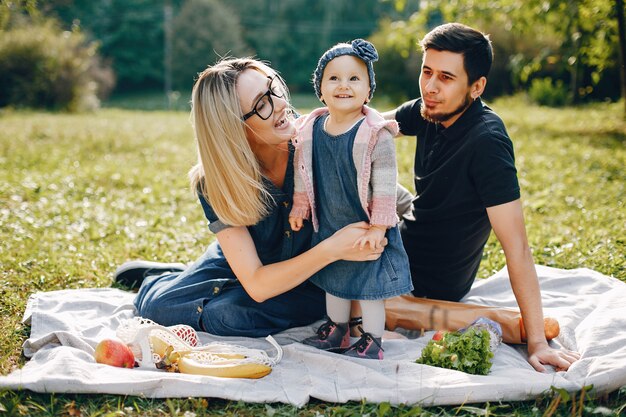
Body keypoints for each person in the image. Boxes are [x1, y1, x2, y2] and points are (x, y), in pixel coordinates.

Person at [116, 57, 388, 338]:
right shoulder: (216, 181)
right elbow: (257, 285)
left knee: (226, 316)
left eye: (274, 89)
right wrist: (332, 248)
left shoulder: (320, 141)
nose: (281, 104)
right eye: (262, 104)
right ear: (234, 129)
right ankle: (167, 281)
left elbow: (387, 193)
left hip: (316, 278)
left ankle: (194, 280)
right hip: (254, 266)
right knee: (160, 307)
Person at [383, 22, 579, 371]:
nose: (430, 87)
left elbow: (516, 244)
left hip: (428, 277)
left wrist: (536, 341)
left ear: (476, 87)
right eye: (427, 72)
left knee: (344, 295)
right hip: (411, 226)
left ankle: (486, 318)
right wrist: (301, 128)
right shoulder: (432, 108)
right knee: (351, 169)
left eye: (445, 77)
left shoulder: (487, 142)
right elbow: (368, 128)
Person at [288, 39, 413, 360]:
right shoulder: (310, 128)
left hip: (365, 223)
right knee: (333, 279)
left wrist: (378, 227)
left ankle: (372, 338)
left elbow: (385, 185)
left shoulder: (375, 133)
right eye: (334, 78)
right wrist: (300, 205)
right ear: (320, 88)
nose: (344, 85)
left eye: (354, 78)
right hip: (329, 221)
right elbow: (303, 170)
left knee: (369, 286)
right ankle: (337, 329)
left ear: (369, 89)